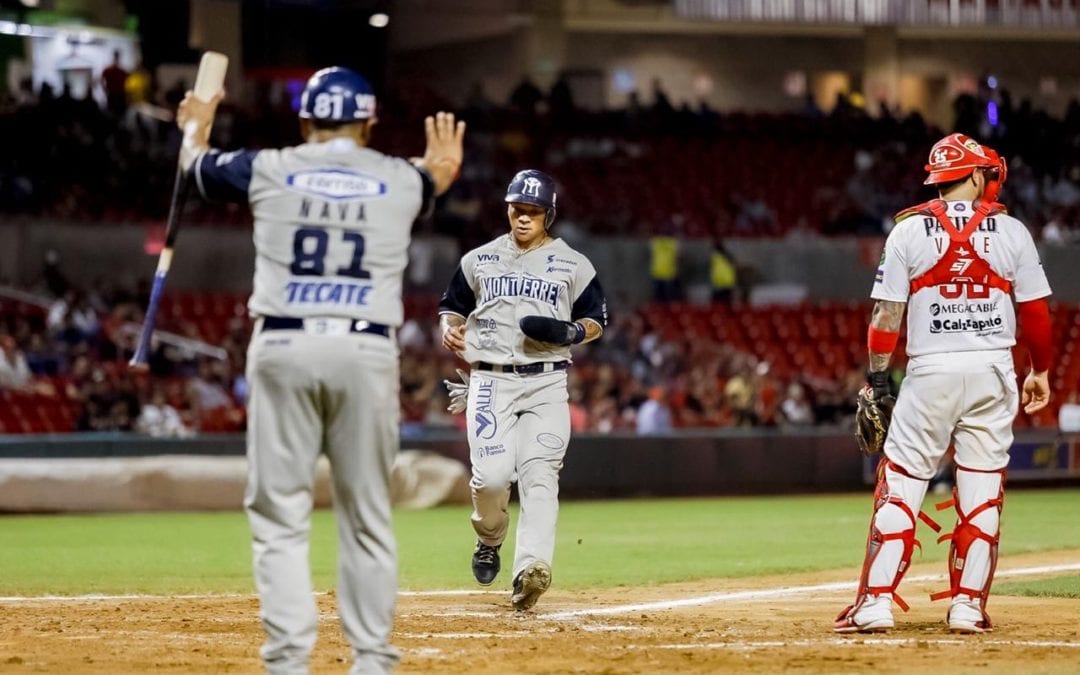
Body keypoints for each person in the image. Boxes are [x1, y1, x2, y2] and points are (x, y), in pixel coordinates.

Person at [177, 66, 465, 674]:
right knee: (366, 514)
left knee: (280, 516)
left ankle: (287, 663)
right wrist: (443, 161)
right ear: (368, 122)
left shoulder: (269, 166)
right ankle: (372, 661)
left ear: (305, 120)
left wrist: (197, 121)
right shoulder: (399, 178)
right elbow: (436, 174)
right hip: (365, 351)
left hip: (283, 346)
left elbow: (196, 168)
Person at [834, 133, 1053, 635]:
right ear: (976, 175)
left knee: (904, 481)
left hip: (931, 369)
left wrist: (877, 379)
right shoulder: (1012, 230)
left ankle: (875, 604)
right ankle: (968, 607)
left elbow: (886, 314)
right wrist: (1039, 370)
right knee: (982, 487)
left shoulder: (908, 231)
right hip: (993, 370)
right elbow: (1036, 312)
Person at [438, 169, 608, 610]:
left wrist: (574, 331)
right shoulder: (479, 259)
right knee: (491, 480)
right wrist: (450, 328)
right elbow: (452, 307)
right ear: (507, 209)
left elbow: (597, 320)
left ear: (548, 214)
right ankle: (490, 539)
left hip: (547, 381)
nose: (523, 218)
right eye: (517, 209)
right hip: (490, 380)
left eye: (533, 211)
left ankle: (531, 569)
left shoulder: (574, 264)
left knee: (539, 476)